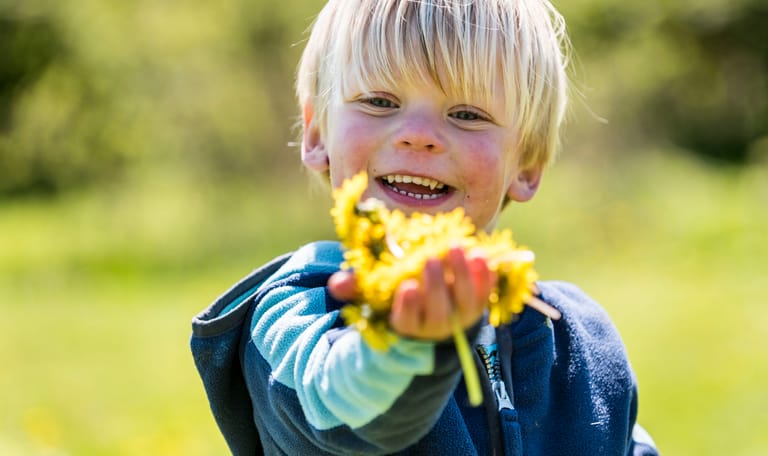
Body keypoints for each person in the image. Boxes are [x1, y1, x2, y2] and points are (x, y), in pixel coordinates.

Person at [190, 0, 659, 454]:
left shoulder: (581, 343)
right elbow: (333, 405)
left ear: (528, 164)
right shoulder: (298, 307)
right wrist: (402, 344)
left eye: (467, 114)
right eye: (379, 101)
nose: (419, 135)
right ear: (316, 134)